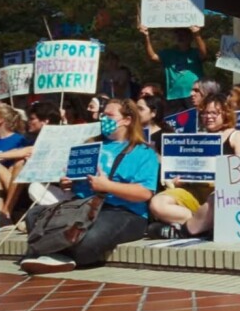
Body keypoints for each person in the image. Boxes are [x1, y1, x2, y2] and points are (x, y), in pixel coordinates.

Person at [20, 99, 159, 274]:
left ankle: (50, 251)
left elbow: (144, 193)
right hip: (83, 206)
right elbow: (75, 183)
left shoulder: (143, 152)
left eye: (109, 115)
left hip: (122, 211)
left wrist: (108, 186)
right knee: (34, 215)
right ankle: (56, 253)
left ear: (127, 120)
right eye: (102, 115)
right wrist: (68, 182)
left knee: (89, 239)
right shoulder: (89, 145)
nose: (103, 119)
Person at [148, 94, 240, 239]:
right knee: (157, 203)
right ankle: (202, 226)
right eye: (205, 113)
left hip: (221, 192)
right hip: (195, 191)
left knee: (217, 199)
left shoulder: (236, 137)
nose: (208, 117)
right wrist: (181, 179)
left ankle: (184, 231)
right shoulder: (197, 137)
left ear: (226, 113)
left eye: (214, 113)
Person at [139, 22, 207, 111]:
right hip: (173, 96)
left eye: (184, 35)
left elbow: (203, 53)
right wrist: (146, 37)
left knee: (195, 118)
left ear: (190, 37)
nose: (180, 37)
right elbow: (153, 56)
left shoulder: (195, 53)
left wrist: (197, 34)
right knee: (173, 119)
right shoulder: (168, 53)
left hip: (192, 95)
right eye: (178, 34)